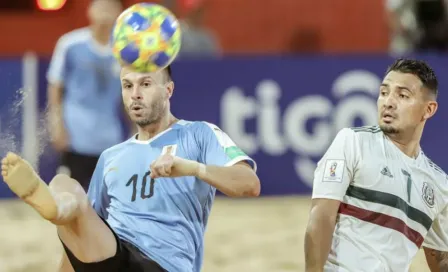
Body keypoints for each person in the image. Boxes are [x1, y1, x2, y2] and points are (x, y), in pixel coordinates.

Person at [1, 64, 261, 272]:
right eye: (127, 85)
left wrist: (193, 168)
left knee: (72, 201)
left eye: (146, 84)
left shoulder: (198, 134)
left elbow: (249, 184)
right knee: (64, 186)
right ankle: (57, 208)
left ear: (168, 90)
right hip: (112, 256)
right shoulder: (111, 156)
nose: (135, 93)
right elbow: (80, 238)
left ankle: (58, 208)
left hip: (161, 264)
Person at [304, 58, 448, 272]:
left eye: (402, 95)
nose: (388, 102)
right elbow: (322, 216)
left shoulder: (439, 184)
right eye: (384, 92)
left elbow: (440, 259)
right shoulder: (353, 142)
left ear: (428, 110)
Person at [46, 0, 126, 192]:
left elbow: (129, 94)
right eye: (101, 7)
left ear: (120, 13)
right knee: (69, 196)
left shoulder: (125, 50)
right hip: (76, 136)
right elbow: (55, 85)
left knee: (108, 198)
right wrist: (57, 124)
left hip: (109, 138)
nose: (105, 14)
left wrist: (137, 130)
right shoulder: (70, 44)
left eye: (111, 8)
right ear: (90, 11)